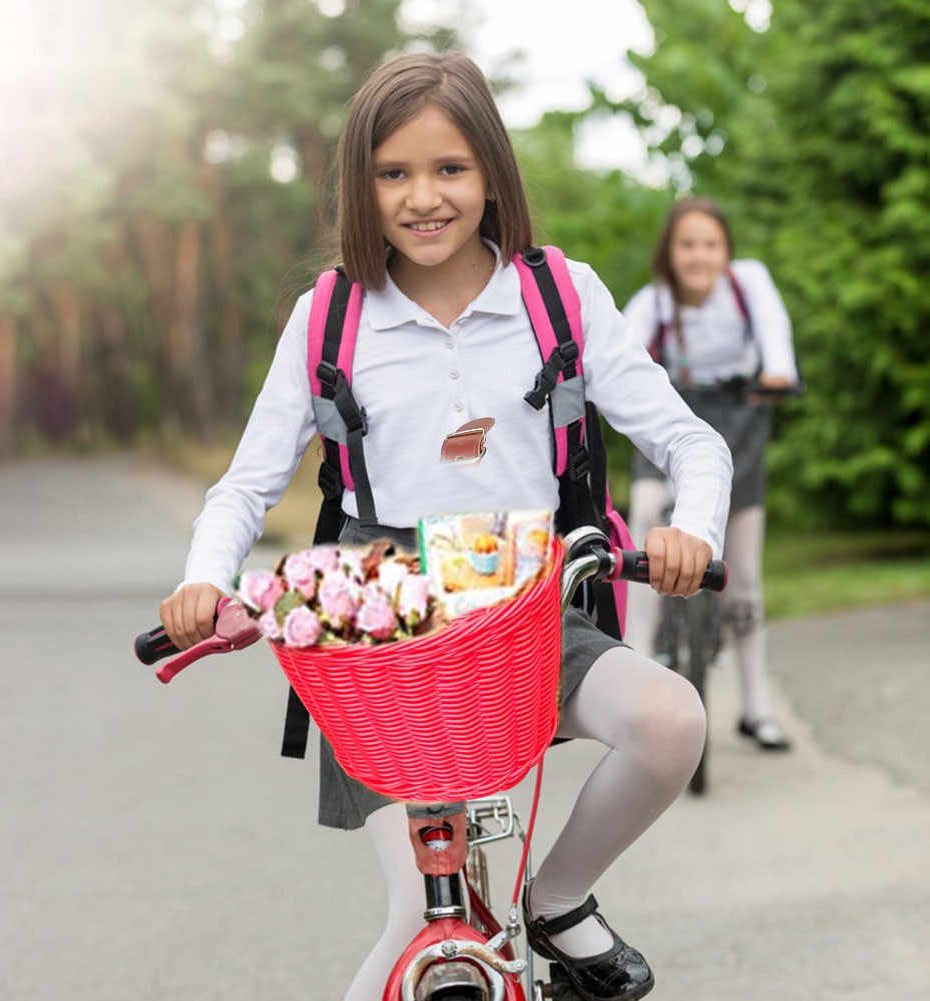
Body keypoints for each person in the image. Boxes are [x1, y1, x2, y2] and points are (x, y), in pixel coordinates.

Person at [159, 53, 732, 1001]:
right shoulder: (329, 318)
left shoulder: (560, 296)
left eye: (449, 169)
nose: (422, 197)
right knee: (424, 925)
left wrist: (695, 533)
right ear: (361, 185)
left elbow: (689, 440)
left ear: (492, 175)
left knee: (669, 720)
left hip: (523, 604)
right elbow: (243, 487)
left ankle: (557, 901)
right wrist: (204, 579)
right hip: (381, 630)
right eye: (393, 173)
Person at [623, 195, 799, 753]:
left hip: (740, 413)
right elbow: (623, 354)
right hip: (669, 416)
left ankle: (756, 708)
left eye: (710, 244)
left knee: (744, 572)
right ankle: (631, 675)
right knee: (644, 519)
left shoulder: (748, 283)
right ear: (669, 254)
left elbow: (774, 328)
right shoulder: (651, 303)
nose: (699, 256)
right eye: (687, 245)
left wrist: (779, 371)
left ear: (726, 251)